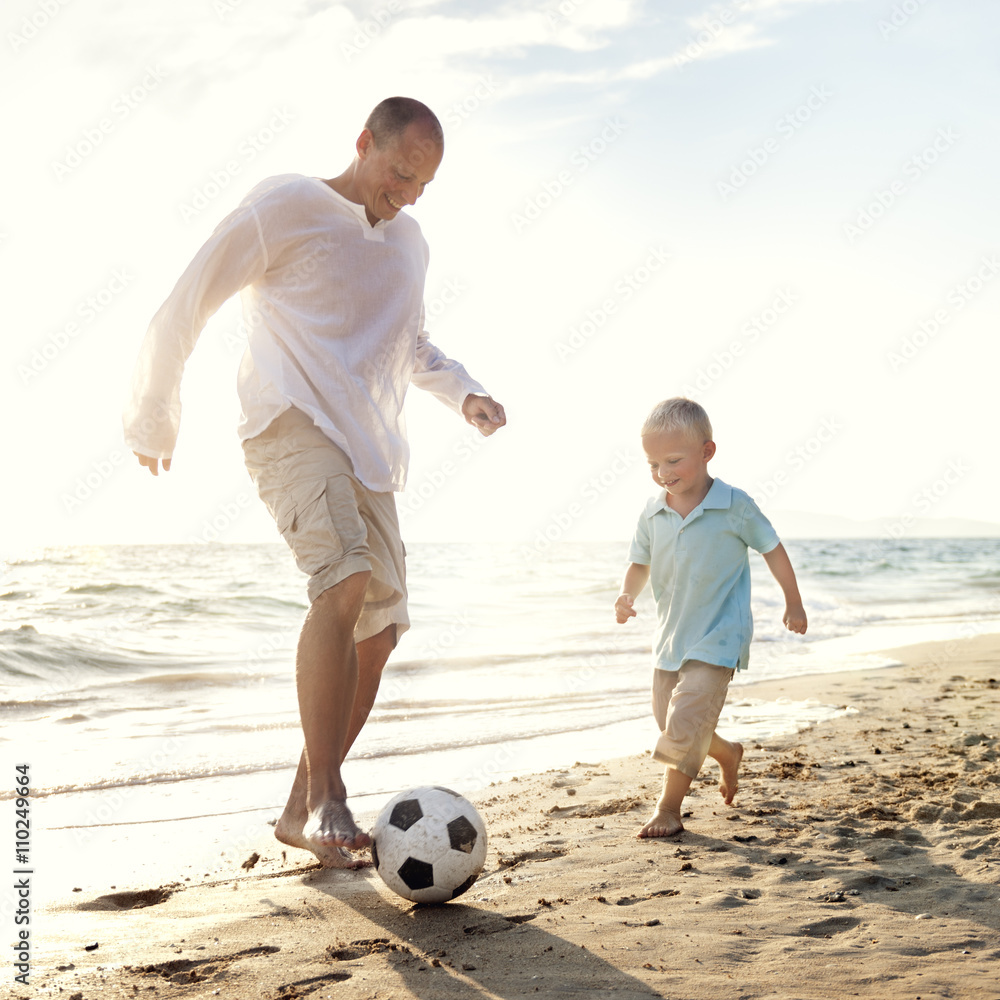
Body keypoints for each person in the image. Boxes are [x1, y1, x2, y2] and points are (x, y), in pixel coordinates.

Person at [123, 97, 506, 868]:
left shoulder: (410, 242)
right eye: (400, 173)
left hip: (370, 447)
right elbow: (187, 300)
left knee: (383, 631)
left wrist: (463, 390)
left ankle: (300, 807)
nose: (407, 195)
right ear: (364, 143)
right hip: (288, 422)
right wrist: (154, 415)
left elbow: (412, 343)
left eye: (423, 184)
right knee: (344, 583)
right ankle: (332, 794)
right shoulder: (287, 204)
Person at [614, 397, 805, 838]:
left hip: (720, 635)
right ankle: (726, 753)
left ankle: (668, 809)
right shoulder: (652, 510)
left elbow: (773, 549)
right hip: (671, 638)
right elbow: (639, 561)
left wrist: (792, 603)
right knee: (671, 722)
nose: (663, 472)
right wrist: (627, 593)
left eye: (673, 460)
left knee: (683, 725)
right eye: (653, 463)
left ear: (707, 452)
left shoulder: (734, 505)